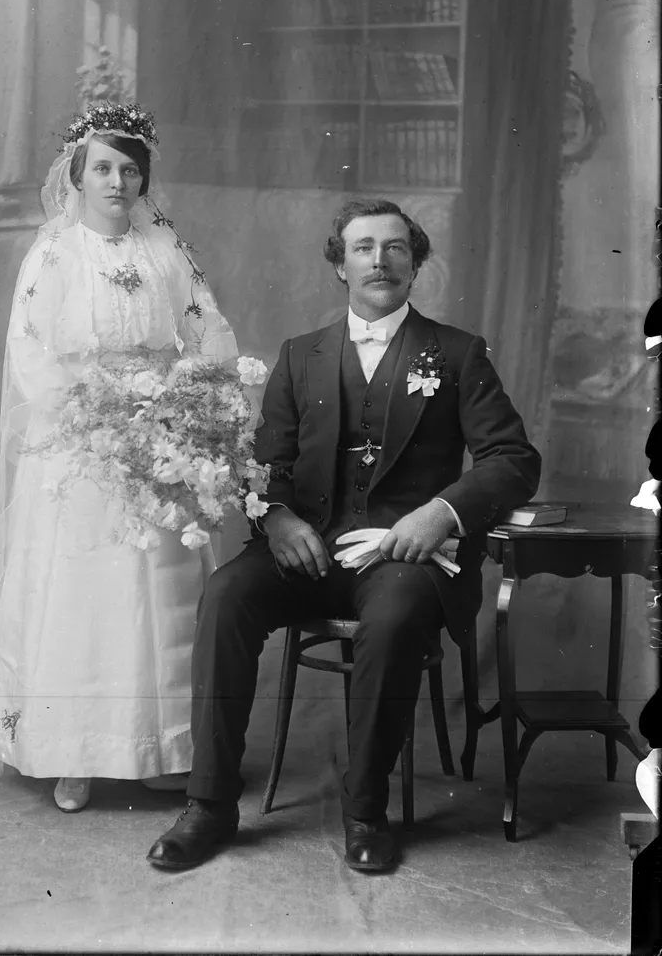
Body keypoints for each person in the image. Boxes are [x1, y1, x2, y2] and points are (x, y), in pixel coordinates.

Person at [147, 197, 542, 872]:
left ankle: (365, 812)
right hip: (309, 548)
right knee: (226, 595)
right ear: (340, 265)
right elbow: (266, 463)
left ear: (415, 263)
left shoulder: (456, 352)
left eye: (395, 247)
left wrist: (440, 513)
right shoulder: (301, 355)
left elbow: (514, 460)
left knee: (394, 616)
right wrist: (276, 518)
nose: (380, 261)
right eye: (364, 248)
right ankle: (209, 805)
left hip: (403, 559)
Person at [0, 102, 238, 812]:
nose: (117, 182)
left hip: (157, 439)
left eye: (130, 170)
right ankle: (71, 754)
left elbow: (207, 333)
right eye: (102, 168)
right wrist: (90, 414)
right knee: (83, 595)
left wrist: (182, 404)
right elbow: (28, 350)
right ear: (76, 176)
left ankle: (161, 752)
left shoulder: (166, 252)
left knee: (157, 595)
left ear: (144, 179)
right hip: (83, 441)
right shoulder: (55, 255)